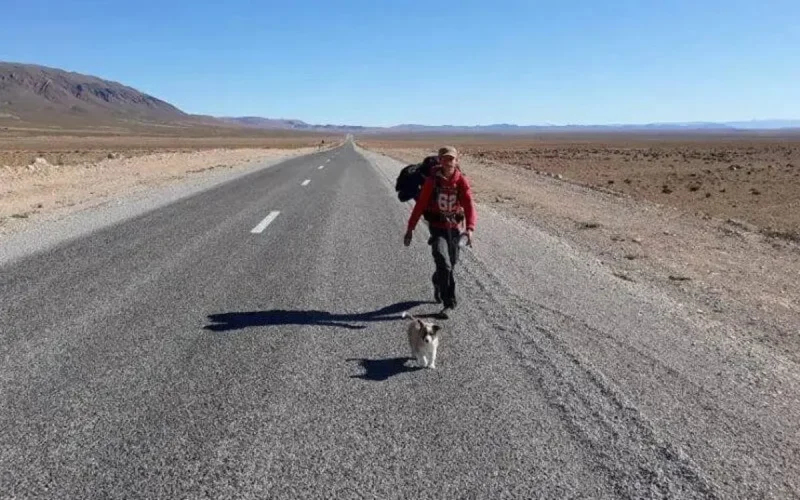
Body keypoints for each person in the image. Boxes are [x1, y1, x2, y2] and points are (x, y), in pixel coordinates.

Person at [404, 146, 476, 318]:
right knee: (444, 264)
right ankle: (448, 303)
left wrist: (470, 228)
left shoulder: (461, 181)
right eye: (445, 159)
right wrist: (410, 228)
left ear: (456, 161)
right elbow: (420, 205)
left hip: (454, 229)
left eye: (451, 159)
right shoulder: (432, 182)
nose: (448, 162)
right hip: (437, 228)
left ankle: (437, 280)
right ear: (440, 160)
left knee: (451, 263)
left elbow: (469, 206)